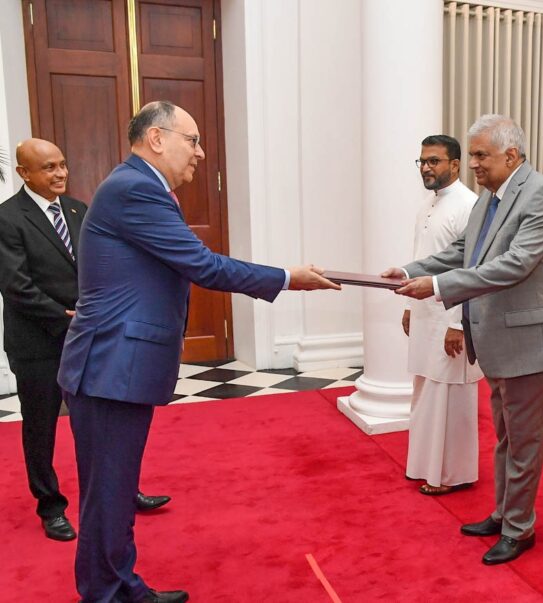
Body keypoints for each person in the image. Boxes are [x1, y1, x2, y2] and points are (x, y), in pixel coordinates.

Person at [56, 100, 340, 603]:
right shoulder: (135, 189)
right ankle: (106, 593)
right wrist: (285, 278)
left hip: (113, 363)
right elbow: (202, 265)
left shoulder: (137, 186)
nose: (200, 153)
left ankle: (118, 586)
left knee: (114, 491)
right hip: (109, 366)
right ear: (157, 138)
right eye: (193, 140)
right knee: (108, 494)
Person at [383, 114, 543, 565]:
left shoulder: (542, 194)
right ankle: (504, 514)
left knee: (524, 444)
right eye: (473, 155)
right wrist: (408, 271)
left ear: (512, 154)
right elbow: (461, 251)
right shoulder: (489, 197)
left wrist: (438, 287)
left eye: (482, 155)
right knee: (507, 439)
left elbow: (515, 264)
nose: (474, 164)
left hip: (529, 343)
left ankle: (520, 529)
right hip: (497, 339)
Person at [0, 139, 171, 544]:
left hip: (88, 336)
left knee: (100, 423)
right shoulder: (7, 218)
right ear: (24, 173)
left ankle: (120, 493)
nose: (60, 173)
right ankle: (51, 507)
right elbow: (15, 286)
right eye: (49, 168)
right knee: (40, 428)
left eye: (62, 164)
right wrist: (66, 317)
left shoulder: (79, 210)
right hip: (38, 343)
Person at [403, 134, 483, 495]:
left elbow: (472, 269)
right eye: (422, 161)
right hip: (424, 313)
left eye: (433, 161)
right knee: (425, 389)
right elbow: (420, 258)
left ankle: (452, 475)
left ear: (455, 164)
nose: (426, 168)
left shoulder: (469, 205)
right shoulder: (427, 204)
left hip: (451, 318)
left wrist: (458, 324)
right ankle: (424, 466)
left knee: (451, 397)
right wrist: (409, 306)